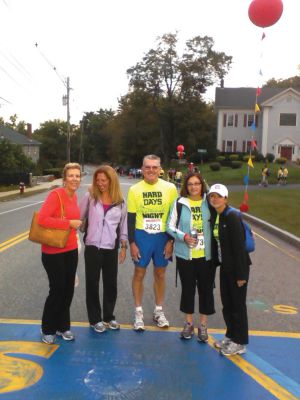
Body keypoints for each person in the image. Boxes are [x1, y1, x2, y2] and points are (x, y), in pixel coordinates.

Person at [127, 154, 178, 331]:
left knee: (160, 273)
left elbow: (174, 217)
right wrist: (132, 242)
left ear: (160, 169)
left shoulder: (170, 188)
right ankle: (138, 312)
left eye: (154, 167)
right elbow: (131, 219)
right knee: (139, 273)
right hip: (142, 235)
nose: (151, 170)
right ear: (142, 168)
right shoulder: (134, 190)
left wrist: (171, 241)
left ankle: (158, 311)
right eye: (147, 167)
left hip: (162, 235)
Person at [167, 172, 215, 342]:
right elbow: (169, 227)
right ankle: (188, 324)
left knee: (205, 290)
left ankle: (203, 325)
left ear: (202, 185)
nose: (194, 187)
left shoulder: (209, 203)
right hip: (185, 255)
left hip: (206, 256)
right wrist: (184, 236)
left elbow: (222, 218)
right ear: (186, 187)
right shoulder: (179, 203)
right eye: (190, 184)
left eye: (197, 183)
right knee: (188, 290)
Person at [38, 163, 82, 344]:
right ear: (64, 179)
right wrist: (69, 224)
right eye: (71, 176)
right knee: (57, 290)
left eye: (77, 176)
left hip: (70, 249)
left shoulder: (74, 196)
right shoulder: (55, 195)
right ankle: (48, 328)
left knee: (68, 289)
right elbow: (42, 219)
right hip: (53, 251)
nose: (74, 179)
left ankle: (63, 326)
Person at [80, 165, 128, 333]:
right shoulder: (90, 197)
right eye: (98, 180)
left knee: (111, 284)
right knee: (92, 283)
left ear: (111, 181)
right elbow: (79, 217)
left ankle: (109, 317)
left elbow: (123, 226)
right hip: (93, 247)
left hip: (110, 247)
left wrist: (123, 246)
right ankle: (95, 319)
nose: (100, 183)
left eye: (104, 180)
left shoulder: (120, 202)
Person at [208, 184, 251, 356]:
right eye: (212, 196)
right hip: (225, 267)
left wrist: (241, 275)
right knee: (227, 304)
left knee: (237, 305)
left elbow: (240, 249)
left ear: (225, 198)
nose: (215, 199)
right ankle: (231, 335)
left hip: (237, 269)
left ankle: (240, 342)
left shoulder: (232, 216)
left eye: (218, 196)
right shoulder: (218, 216)